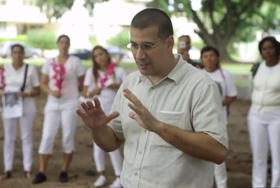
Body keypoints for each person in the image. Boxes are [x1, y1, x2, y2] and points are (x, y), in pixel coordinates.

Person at [77, 8, 228, 188]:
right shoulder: (130, 84)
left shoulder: (200, 86)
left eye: (147, 46)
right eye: (134, 45)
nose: (139, 55)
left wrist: (158, 127)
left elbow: (217, 151)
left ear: (169, 43)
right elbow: (112, 141)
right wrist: (98, 129)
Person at [32, 34, 85, 184]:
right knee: (47, 135)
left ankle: (64, 171)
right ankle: (42, 171)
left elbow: (82, 83)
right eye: (61, 42)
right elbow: (43, 83)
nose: (64, 44)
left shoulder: (75, 61)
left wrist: (77, 96)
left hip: (70, 103)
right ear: (57, 44)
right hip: (53, 103)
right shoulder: (50, 62)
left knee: (68, 135)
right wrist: (51, 91)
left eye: (66, 42)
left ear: (69, 45)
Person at [81, 45, 126, 187]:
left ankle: (119, 176)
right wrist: (92, 92)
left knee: (112, 143)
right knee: (97, 144)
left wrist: (117, 85)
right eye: (96, 56)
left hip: (113, 111)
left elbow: (128, 89)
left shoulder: (119, 71)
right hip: (97, 111)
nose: (99, 57)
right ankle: (102, 174)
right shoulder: (91, 73)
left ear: (107, 54)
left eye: (101, 54)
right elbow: (84, 93)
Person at [0, 44, 40, 181]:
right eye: (15, 52)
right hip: (9, 105)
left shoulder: (31, 69)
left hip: (27, 106)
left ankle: (27, 169)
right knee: (9, 138)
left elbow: (37, 90)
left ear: (23, 54)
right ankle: (8, 169)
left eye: (20, 52)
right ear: (11, 54)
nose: (17, 55)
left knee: (26, 137)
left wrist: (27, 94)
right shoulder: (4, 69)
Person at [201, 46, 237, 188]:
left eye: (212, 56)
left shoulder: (224, 75)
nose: (209, 59)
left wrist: (218, 104)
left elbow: (232, 95)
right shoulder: (198, 74)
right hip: (200, 122)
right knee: (201, 156)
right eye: (205, 56)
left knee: (218, 156)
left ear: (217, 58)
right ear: (202, 59)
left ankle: (222, 185)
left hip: (219, 121)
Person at [247, 36, 280, 188]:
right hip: (255, 115)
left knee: (277, 156)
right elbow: (251, 89)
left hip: (276, 116)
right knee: (258, 156)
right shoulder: (256, 69)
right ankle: (258, 185)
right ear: (261, 52)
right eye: (264, 48)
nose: (268, 51)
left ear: (276, 49)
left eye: (271, 48)